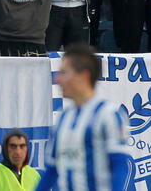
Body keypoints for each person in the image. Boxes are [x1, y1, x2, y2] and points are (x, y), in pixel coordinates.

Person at [36, 44, 132, 190]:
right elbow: (52, 170)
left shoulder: (108, 114)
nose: (57, 79)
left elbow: (120, 165)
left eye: (63, 73)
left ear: (84, 76)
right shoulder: (63, 118)